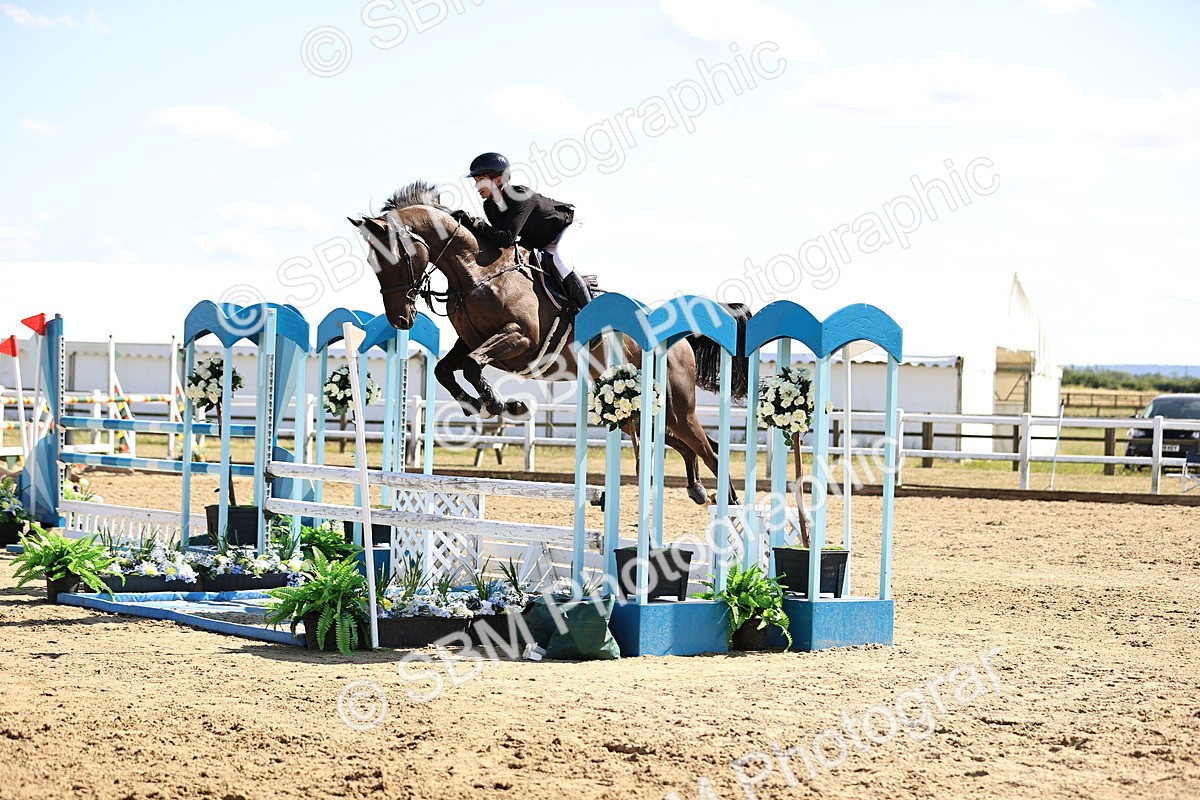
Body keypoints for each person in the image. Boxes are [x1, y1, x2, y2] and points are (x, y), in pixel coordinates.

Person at [451, 152, 592, 312]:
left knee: (560, 261)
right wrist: (467, 226)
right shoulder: (489, 206)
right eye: (476, 181)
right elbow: (496, 239)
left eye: (481, 180)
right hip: (541, 239)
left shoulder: (519, 196)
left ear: (498, 180)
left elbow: (506, 239)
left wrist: (476, 223)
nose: (477, 186)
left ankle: (590, 313)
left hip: (568, 225)